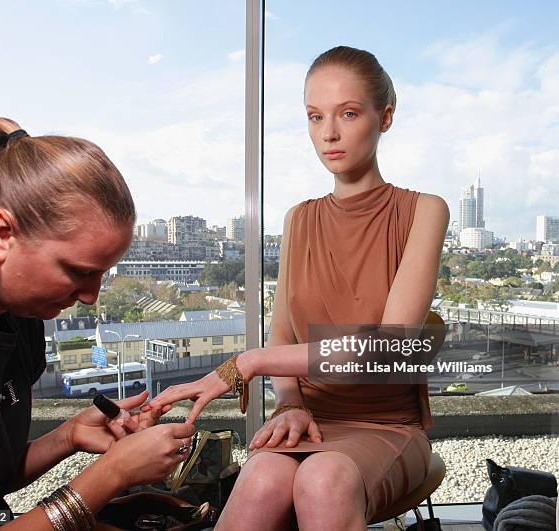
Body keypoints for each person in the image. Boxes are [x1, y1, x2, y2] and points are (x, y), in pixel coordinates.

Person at [145, 46, 450, 531]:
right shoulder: (300, 218)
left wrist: (251, 363)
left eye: (348, 114)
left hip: (388, 426)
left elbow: (389, 346)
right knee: (263, 476)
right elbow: (282, 329)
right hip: (309, 417)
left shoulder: (424, 211)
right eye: (314, 116)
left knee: (323, 479)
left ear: (384, 117)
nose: (328, 133)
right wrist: (290, 403)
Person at [0, 117, 195, 530]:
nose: (91, 296)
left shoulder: (17, 320)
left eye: (102, 274)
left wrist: (70, 435)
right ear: (1, 235)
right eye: (79, 271)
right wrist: (112, 474)